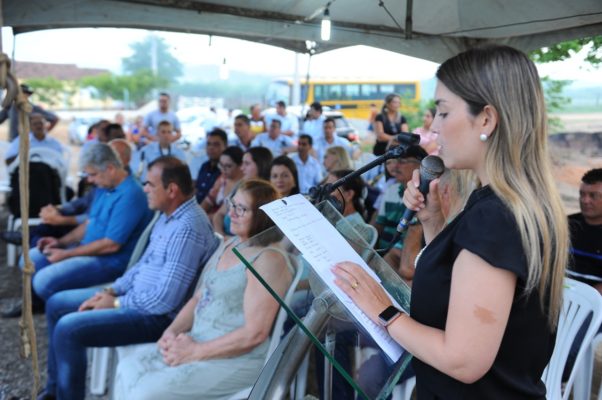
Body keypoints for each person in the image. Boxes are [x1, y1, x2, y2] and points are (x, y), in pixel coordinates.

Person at [333, 45, 569, 399]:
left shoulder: (495, 217)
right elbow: (467, 291)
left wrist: (382, 308)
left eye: (443, 112)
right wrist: (432, 222)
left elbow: (463, 360)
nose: (434, 127)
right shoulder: (508, 204)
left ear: (486, 119)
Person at [37, 157, 219, 400]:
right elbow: (141, 267)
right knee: (56, 304)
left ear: (172, 190)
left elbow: (164, 301)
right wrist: (112, 291)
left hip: (157, 318)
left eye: (150, 185)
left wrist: (115, 303)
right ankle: (54, 391)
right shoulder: (168, 216)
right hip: (134, 300)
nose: (144, 189)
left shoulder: (187, 227)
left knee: (68, 329)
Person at [113, 179, 293, 399]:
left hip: (234, 358)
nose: (231, 214)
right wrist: (170, 333)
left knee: (144, 392)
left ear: (263, 215)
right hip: (198, 339)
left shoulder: (269, 259)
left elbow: (254, 334)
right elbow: (199, 297)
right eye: (232, 204)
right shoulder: (230, 244)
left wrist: (195, 352)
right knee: (128, 367)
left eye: (242, 209)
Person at [30, 143, 152, 303]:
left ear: (110, 168)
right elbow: (90, 223)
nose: (89, 180)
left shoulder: (131, 194)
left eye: (93, 174)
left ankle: (60, 305)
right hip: (90, 250)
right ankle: (46, 303)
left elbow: (111, 245)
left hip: (111, 262)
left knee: (42, 281)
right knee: (32, 257)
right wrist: (60, 243)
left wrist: (66, 254)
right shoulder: (105, 187)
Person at [371, 144, 427, 250]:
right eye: (392, 162)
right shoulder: (391, 190)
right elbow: (379, 226)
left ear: (421, 164)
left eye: (402, 161)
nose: (395, 166)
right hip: (382, 254)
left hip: (405, 259)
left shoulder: (429, 196)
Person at [212, 147, 273, 238]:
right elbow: (219, 214)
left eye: (247, 164)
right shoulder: (241, 184)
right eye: (242, 163)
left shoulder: (267, 196)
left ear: (261, 165)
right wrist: (221, 236)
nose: (242, 168)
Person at [566, 168, 602, 290]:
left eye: (593, 196)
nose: (585, 200)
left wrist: (585, 298)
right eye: (582, 194)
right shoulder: (564, 226)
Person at [201, 146, 244, 217]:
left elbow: (224, 214)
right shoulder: (222, 179)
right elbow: (208, 201)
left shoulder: (244, 184)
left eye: (228, 166)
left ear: (240, 165)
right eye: (221, 165)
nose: (223, 169)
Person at [195, 128, 228, 204]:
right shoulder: (204, 166)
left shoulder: (226, 170)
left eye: (216, 144)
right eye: (208, 144)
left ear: (225, 146)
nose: (211, 148)